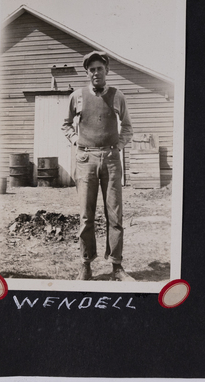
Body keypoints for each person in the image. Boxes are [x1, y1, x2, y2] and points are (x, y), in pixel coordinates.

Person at [62, 52, 134, 281]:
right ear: (87, 73)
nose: (95, 73)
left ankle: (117, 267)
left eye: (99, 69)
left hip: (111, 160)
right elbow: (66, 125)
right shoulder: (77, 96)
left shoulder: (117, 96)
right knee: (86, 215)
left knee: (115, 215)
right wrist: (75, 141)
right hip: (85, 160)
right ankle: (86, 264)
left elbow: (128, 128)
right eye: (91, 69)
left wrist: (118, 147)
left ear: (107, 71)